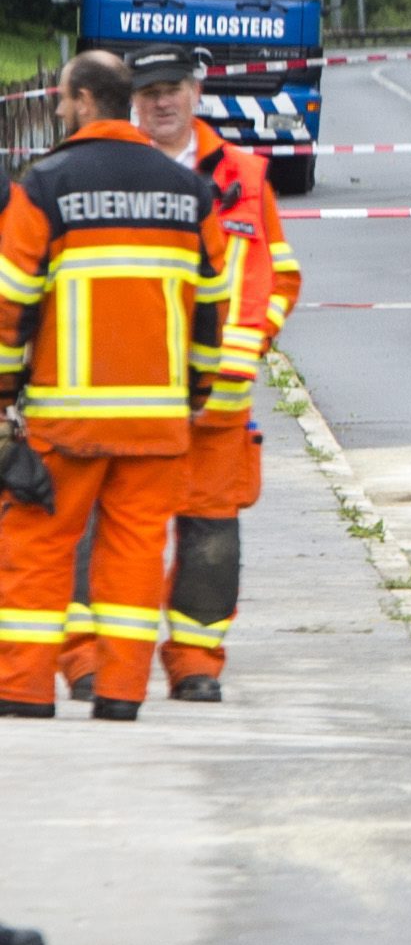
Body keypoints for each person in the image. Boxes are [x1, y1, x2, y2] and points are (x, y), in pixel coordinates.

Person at [58, 47, 297, 703]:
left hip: (214, 401)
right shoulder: (107, 169)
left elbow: (278, 275)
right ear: (130, 100)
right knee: (99, 532)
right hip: (124, 392)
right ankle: (90, 662)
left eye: (173, 90)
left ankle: (196, 662)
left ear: (197, 92)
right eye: (148, 92)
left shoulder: (244, 176)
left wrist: (248, 344)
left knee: (209, 538)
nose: (161, 102)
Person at [0, 52, 228, 722]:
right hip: (157, 418)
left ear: (81, 100)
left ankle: (23, 689)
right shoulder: (186, 190)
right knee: (133, 556)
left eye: (64, 100)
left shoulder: (44, 185)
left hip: (65, 418)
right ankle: (122, 694)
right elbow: (211, 302)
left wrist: (4, 393)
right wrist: (196, 388)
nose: (61, 109)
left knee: (37, 548)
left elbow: (11, 301)